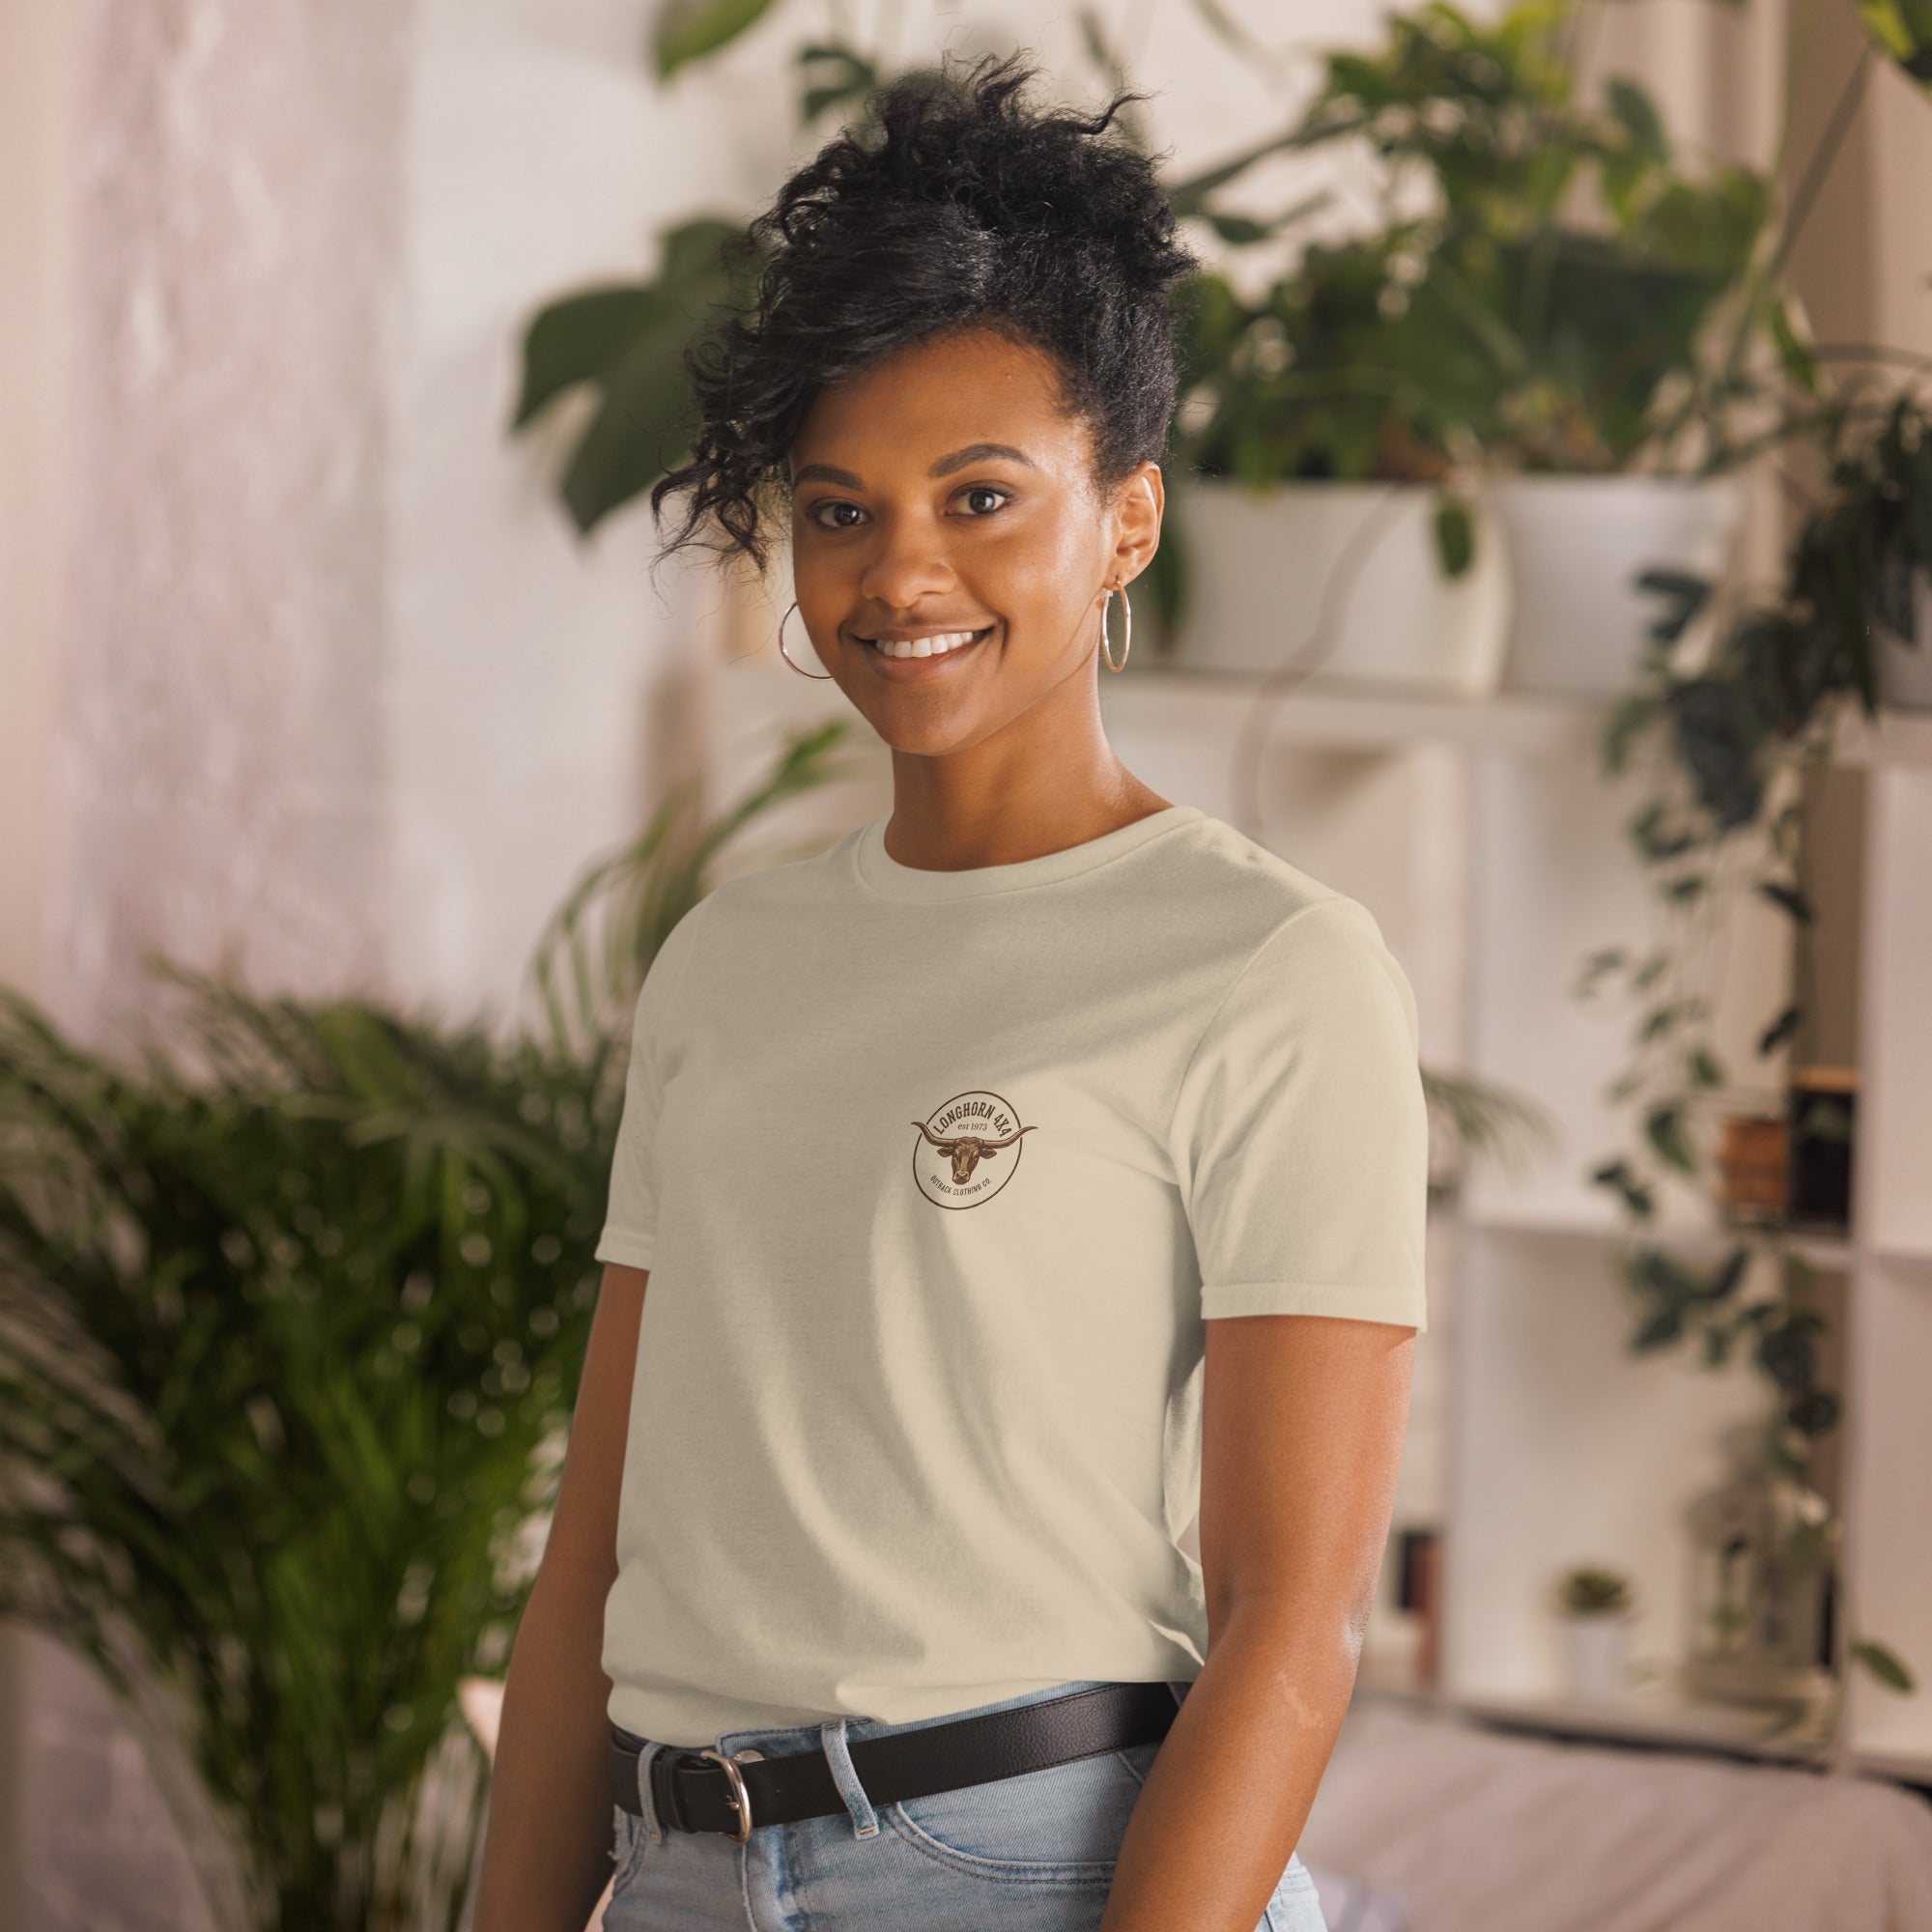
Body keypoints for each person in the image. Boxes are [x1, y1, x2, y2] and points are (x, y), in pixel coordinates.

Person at [471, 49, 1425, 1932]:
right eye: (838, 510)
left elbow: (1291, 1619)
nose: (899, 571)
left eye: (980, 496)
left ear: (1124, 519)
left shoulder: (1266, 965)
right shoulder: (728, 960)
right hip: (676, 1870)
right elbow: (597, 1552)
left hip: (1028, 1865)